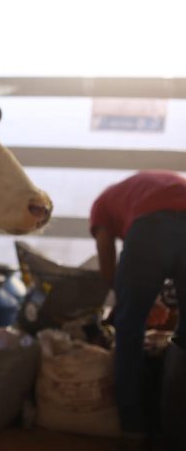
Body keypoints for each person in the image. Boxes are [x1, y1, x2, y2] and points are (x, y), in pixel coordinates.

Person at [89, 170, 186, 439]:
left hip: (149, 230)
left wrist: (124, 296)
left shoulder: (101, 204)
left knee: (129, 330)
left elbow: (106, 251)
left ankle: (133, 429)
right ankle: (176, 431)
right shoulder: (151, 185)